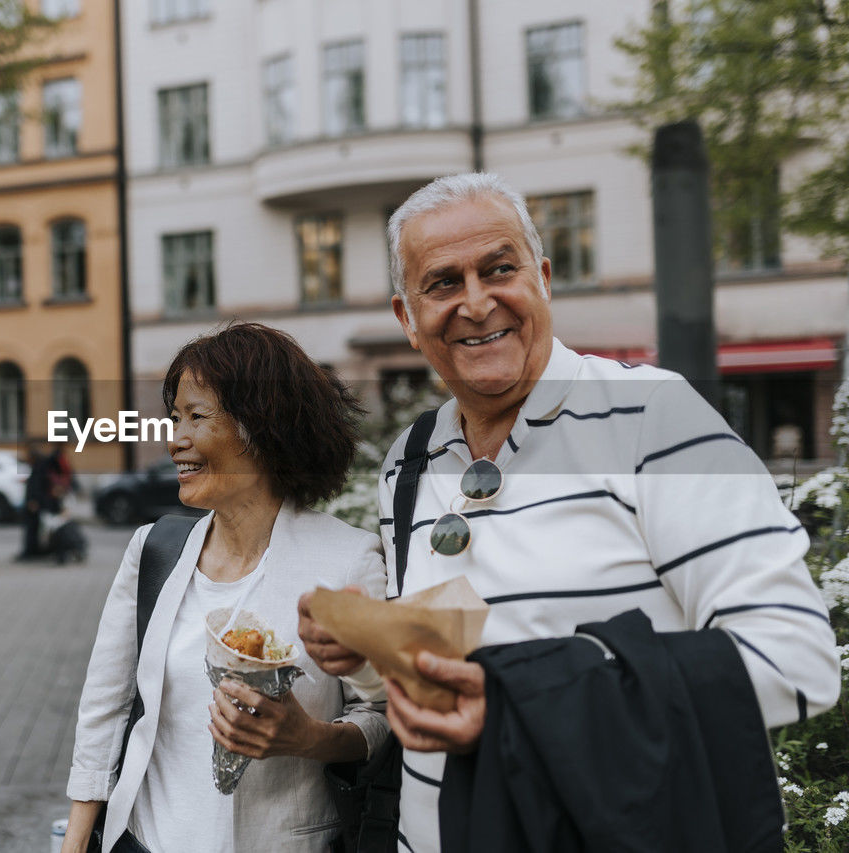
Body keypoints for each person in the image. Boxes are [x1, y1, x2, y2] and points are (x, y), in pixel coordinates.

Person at [298, 172, 841, 852]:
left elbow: (797, 659)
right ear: (407, 318)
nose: (476, 302)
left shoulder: (654, 418)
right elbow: (444, 675)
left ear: (543, 278)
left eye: (499, 268)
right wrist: (369, 656)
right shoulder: (409, 459)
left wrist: (522, 705)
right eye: (442, 283)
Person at [62, 323, 391, 853]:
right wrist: (77, 842)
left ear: (262, 428)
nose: (175, 441)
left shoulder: (347, 560)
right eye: (174, 419)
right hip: (146, 841)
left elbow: (379, 716)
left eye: (197, 417)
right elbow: (105, 707)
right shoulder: (154, 552)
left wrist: (310, 739)